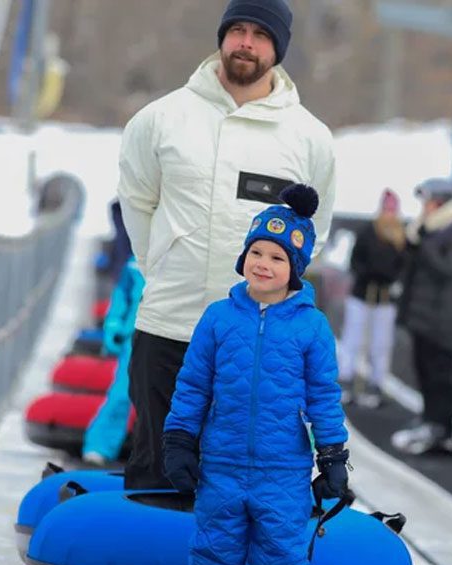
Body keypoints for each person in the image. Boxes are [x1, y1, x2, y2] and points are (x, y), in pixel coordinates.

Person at [117, 0, 336, 490]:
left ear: (277, 47)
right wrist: (165, 268)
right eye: (237, 29)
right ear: (221, 37)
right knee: (158, 469)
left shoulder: (309, 139)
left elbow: (312, 231)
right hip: (170, 327)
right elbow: (137, 203)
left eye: (260, 34)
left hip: (254, 344)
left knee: (237, 479)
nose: (246, 42)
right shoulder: (161, 119)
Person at [161, 185, 349, 565]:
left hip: (282, 466)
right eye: (256, 253)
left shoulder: (311, 327)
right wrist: (180, 439)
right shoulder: (219, 318)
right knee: (214, 546)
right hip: (220, 460)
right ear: (243, 257)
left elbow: (324, 396)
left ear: (296, 270)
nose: (263, 264)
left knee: (282, 551)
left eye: (277, 258)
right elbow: (193, 384)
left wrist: (332, 456)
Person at [390, 178, 452, 455]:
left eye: (428, 202)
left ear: (440, 203)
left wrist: (424, 241)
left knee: (440, 377)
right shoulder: (424, 231)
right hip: (420, 317)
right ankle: (429, 419)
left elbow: (447, 268)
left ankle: (441, 428)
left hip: (441, 319)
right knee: (424, 372)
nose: (424, 208)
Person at [337, 188, 406, 408]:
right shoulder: (367, 231)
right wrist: (368, 274)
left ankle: (377, 384)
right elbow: (355, 261)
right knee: (354, 338)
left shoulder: (400, 237)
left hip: (384, 298)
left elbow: (402, 267)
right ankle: (347, 379)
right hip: (362, 294)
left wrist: (390, 278)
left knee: (381, 343)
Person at [81, 256, 144, 465]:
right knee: (121, 394)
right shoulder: (135, 263)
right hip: (135, 336)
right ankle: (99, 447)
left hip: (172, 334)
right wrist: (114, 324)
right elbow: (122, 295)